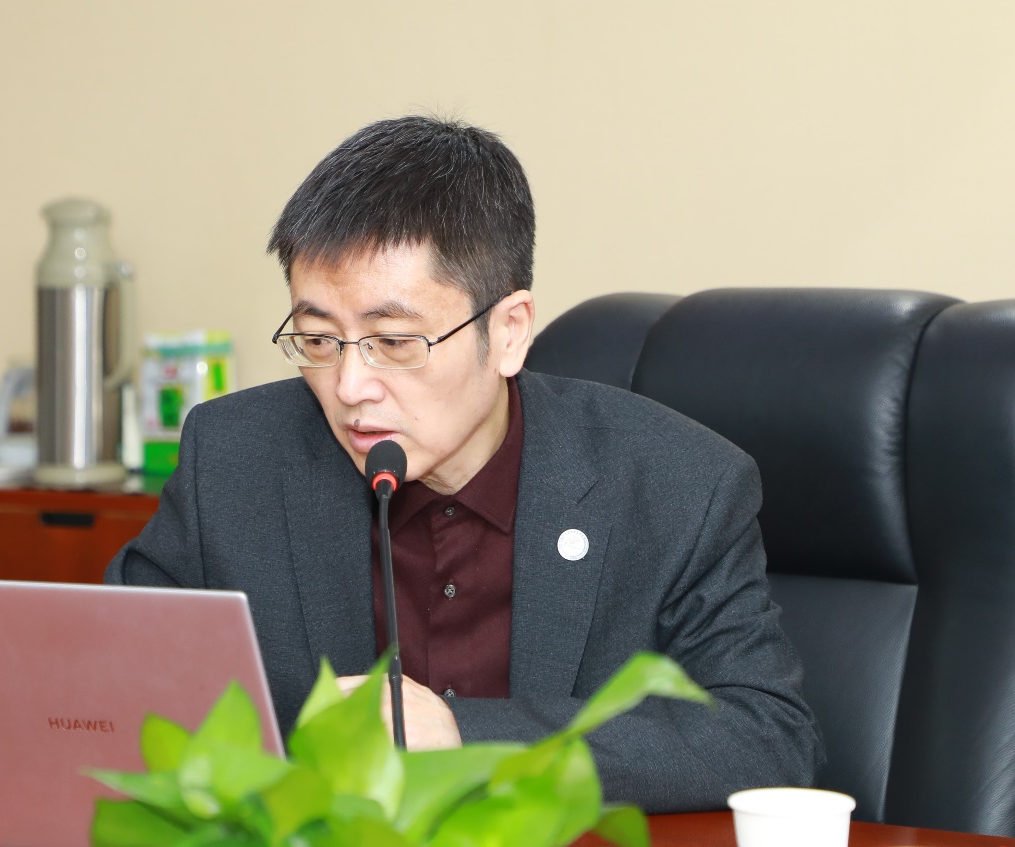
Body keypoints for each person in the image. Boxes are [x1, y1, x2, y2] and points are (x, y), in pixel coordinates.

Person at [105, 115, 822, 812]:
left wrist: (468, 736)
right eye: (319, 340)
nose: (350, 387)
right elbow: (108, 682)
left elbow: (766, 735)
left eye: (394, 342)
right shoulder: (234, 458)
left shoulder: (676, 486)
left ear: (508, 332)